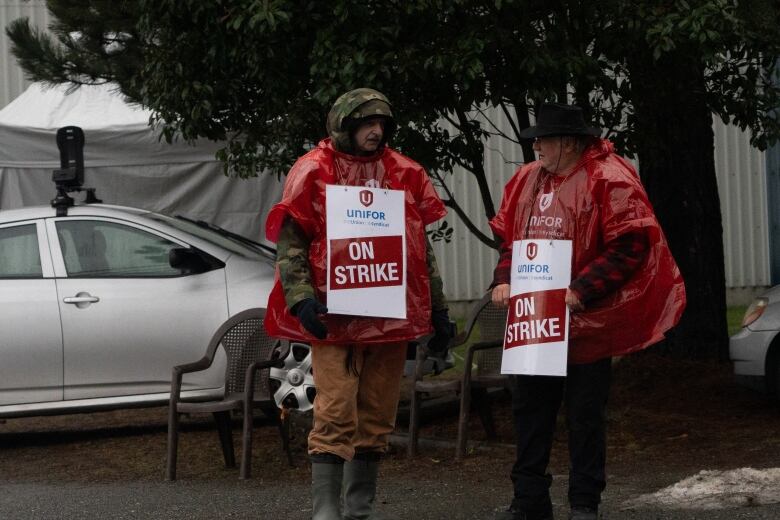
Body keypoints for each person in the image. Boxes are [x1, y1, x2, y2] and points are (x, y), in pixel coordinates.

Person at [489, 103, 686, 520]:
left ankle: (584, 504)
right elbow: (511, 239)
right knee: (530, 411)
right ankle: (529, 500)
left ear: (570, 143)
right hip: (535, 319)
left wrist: (581, 291)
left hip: (586, 322)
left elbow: (631, 245)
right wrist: (503, 279)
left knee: (584, 416)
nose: (536, 146)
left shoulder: (608, 178)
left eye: (544, 139)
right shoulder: (527, 179)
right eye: (536, 139)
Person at [264, 88, 453, 520]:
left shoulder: (403, 172)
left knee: (378, 412)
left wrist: (437, 309)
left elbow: (420, 249)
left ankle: (358, 511)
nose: (376, 131)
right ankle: (326, 512)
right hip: (335, 316)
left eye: (382, 124)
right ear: (345, 125)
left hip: (388, 316)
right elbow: (291, 244)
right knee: (334, 409)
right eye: (367, 123)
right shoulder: (313, 170)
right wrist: (301, 301)